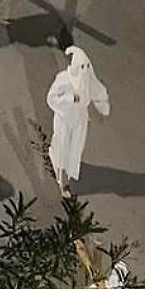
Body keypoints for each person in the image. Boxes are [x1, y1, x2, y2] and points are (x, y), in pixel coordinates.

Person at [46, 46, 110, 195]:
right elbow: (51, 98)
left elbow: (97, 91)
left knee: (75, 148)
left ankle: (67, 172)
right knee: (63, 147)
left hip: (80, 120)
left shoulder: (87, 79)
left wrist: (103, 108)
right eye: (82, 66)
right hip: (64, 118)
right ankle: (63, 182)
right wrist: (69, 99)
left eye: (87, 66)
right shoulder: (64, 78)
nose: (85, 70)